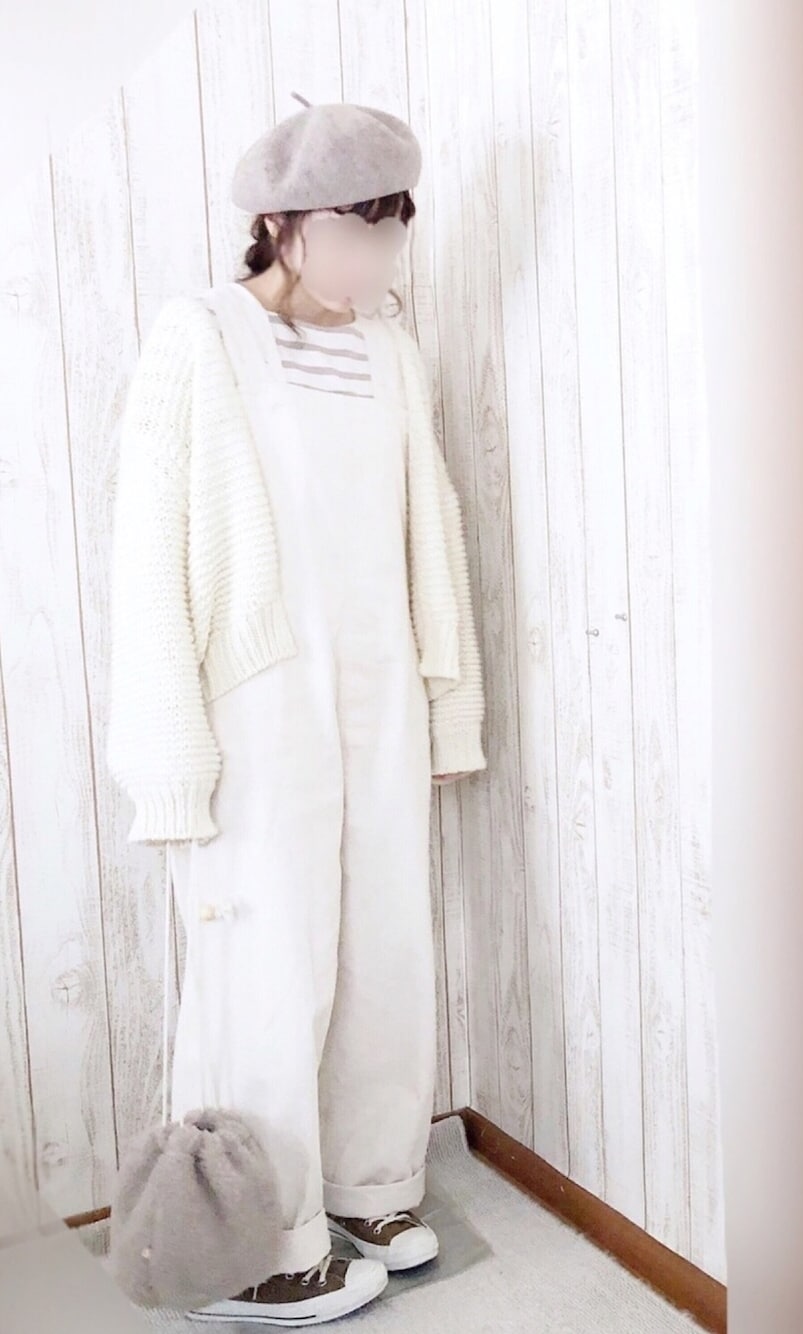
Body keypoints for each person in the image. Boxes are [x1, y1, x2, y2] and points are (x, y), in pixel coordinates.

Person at [106, 97, 487, 1325]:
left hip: (378, 689)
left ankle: (368, 1185)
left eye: (390, 233)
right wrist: (171, 755)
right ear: (278, 223)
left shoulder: (389, 349)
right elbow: (148, 556)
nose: (373, 261)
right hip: (255, 699)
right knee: (262, 972)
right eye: (350, 232)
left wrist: (444, 704)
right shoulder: (201, 335)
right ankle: (251, 1242)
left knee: (384, 948)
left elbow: (429, 535)